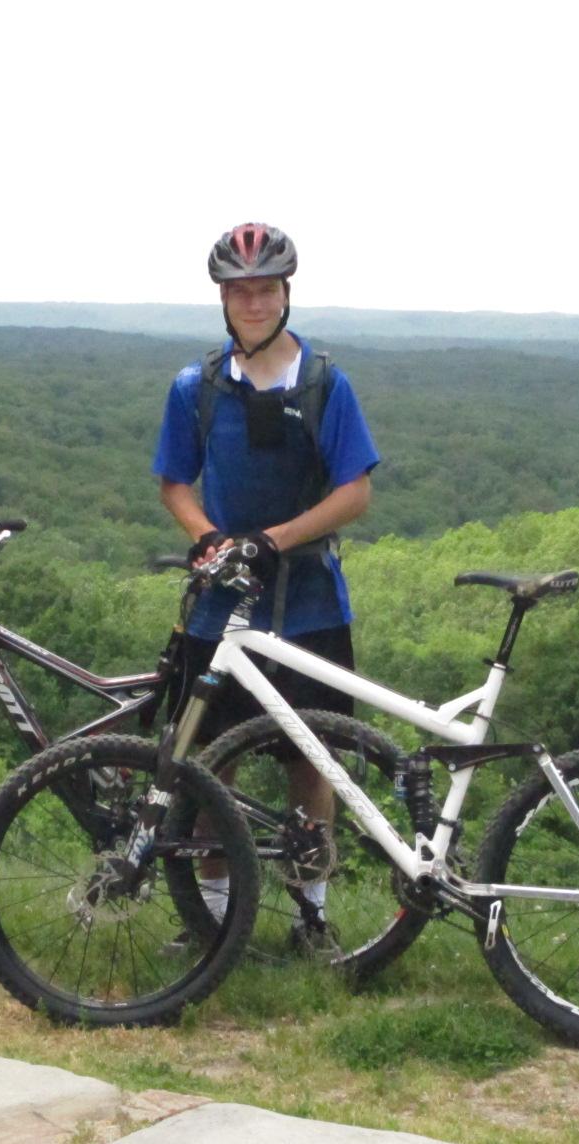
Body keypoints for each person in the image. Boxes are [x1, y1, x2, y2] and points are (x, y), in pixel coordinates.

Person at [151, 222, 380, 953]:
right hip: (220, 605)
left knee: (311, 764)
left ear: (285, 294)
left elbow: (355, 492)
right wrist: (209, 538)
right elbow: (174, 484)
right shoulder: (198, 386)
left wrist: (274, 540)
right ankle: (212, 921)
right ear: (223, 299)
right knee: (208, 765)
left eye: (265, 289)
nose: (252, 302)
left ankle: (311, 917)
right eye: (239, 291)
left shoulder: (324, 383)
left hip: (308, 601)